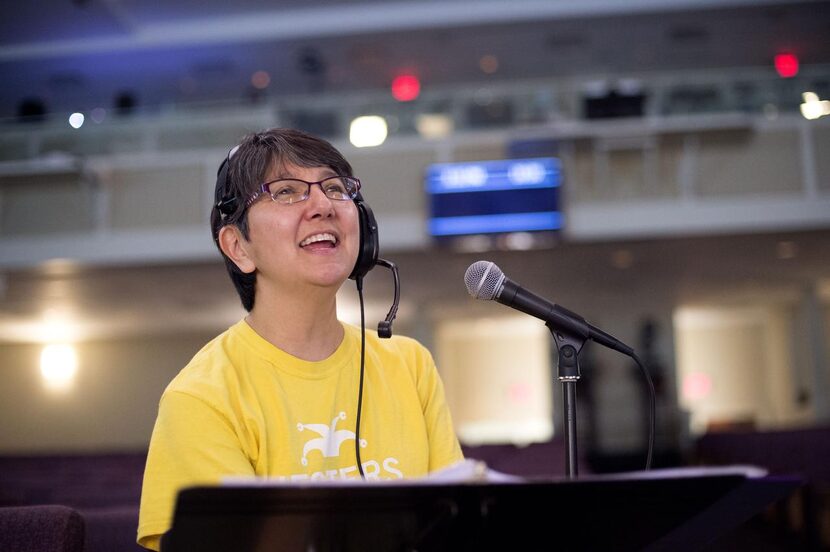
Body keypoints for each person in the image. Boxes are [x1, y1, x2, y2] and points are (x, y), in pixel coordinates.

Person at [137, 128, 463, 550]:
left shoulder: (410, 365)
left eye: (334, 188)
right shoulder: (201, 396)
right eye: (287, 191)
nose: (323, 205)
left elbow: (455, 532)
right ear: (238, 246)